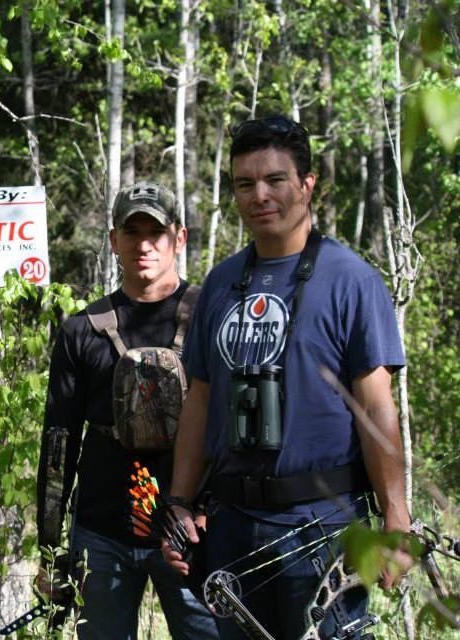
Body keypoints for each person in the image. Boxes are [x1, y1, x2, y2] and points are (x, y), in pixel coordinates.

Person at [162, 115, 412, 639]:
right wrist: (180, 505)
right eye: (245, 184)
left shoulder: (352, 281)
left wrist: (395, 517)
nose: (260, 195)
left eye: (275, 180)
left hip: (321, 527)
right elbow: (200, 400)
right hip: (232, 525)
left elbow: (376, 406)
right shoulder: (222, 283)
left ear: (307, 184)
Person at [35, 181, 219, 639]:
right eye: (131, 232)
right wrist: (50, 551)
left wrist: (221, 515)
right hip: (101, 534)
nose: (143, 245)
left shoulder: (212, 319)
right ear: (113, 240)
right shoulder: (82, 331)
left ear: (179, 239)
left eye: (155, 233)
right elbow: (58, 445)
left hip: (193, 533)